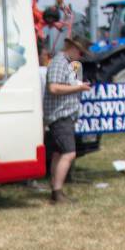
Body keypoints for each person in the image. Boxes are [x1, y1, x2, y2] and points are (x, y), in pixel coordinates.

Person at [42, 34, 92, 203]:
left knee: (58, 153)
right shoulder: (59, 62)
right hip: (59, 115)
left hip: (65, 114)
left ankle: (55, 189)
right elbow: (54, 88)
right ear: (74, 49)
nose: (82, 57)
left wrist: (79, 86)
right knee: (69, 153)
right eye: (82, 53)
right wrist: (77, 88)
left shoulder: (71, 64)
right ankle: (57, 192)